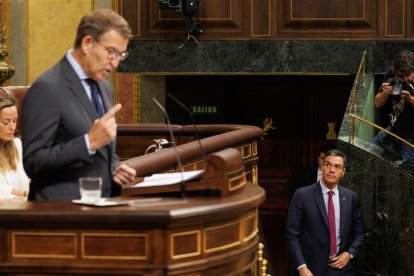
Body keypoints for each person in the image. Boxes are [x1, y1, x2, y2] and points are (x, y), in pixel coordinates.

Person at [22, 9, 136, 200]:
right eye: (111, 52)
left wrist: (114, 168)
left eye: (121, 55)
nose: (116, 62)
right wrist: (87, 143)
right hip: (61, 213)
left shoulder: (104, 87)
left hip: (102, 207)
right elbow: (33, 162)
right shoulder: (48, 88)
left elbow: (101, 149)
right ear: (87, 43)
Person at [286, 149, 364, 275]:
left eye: (337, 167)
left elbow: (359, 233)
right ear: (322, 166)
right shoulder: (302, 195)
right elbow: (292, 235)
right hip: (310, 269)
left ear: (343, 172)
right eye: (328, 165)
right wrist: (301, 267)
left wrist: (350, 253)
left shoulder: (351, 197)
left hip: (342, 269)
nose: (332, 170)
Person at [373, 50, 414, 164]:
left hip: (411, 136)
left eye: (408, 75)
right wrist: (385, 93)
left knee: (406, 174)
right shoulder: (392, 73)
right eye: (401, 76)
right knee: (368, 154)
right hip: (393, 129)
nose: (404, 79)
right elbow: (377, 103)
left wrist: (411, 99)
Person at [0, 90, 30, 202]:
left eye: (14, 121)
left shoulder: (17, 144)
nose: (12, 127)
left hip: (26, 207)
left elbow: (28, 178)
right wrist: (21, 194)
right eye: (6, 122)